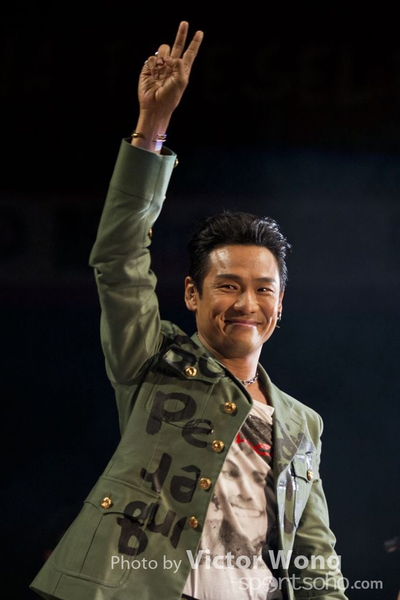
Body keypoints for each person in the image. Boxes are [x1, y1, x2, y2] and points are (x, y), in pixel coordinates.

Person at [30, 21, 348, 600]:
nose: (247, 303)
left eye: (264, 289)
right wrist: (151, 128)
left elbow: (315, 560)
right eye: (228, 286)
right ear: (192, 294)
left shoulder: (303, 424)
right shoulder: (154, 360)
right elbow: (119, 258)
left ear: (280, 304)